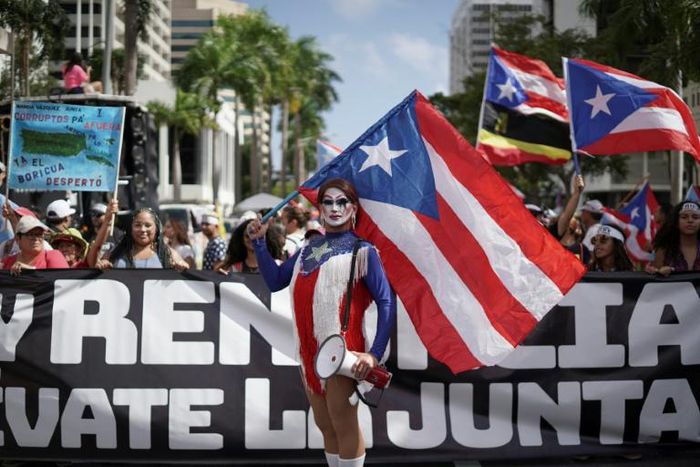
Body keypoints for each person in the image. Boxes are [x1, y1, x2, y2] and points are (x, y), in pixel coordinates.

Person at [248, 178, 396, 467]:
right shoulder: (307, 249)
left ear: (354, 208)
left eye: (342, 202)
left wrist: (373, 354)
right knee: (325, 425)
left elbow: (386, 302)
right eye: (328, 201)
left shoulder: (363, 251)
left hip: (344, 352)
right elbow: (276, 280)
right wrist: (259, 244)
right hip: (309, 355)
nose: (335, 207)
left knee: (344, 423)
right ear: (319, 207)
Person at [106, 207, 188, 270]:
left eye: (148, 225)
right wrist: (102, 265)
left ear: (156, 229)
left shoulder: (168, 254)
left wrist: (182, 267)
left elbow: (186, 272)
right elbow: (96, 267)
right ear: (130, 228)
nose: (142, 229)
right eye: (137, 225)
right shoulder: (116, 251)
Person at [2, 216, 68, 274]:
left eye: (39, 234)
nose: (36, 239)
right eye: (31, 234)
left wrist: (31, 271)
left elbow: (62, 282)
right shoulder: (7, 262)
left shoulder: (53, 256)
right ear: (18, 238)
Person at [649, 200, 700, 275]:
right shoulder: (663, 250)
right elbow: (651, 276)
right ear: (676, 222)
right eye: (684, 217)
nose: (690, 220)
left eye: (695, 217)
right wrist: (658, 272)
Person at [216, 219, 284, 274]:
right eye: (247, 236)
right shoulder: (233, 269)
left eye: (258, 235)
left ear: (265, 238)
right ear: (241, 240)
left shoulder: (278, 265)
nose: (252, 238)